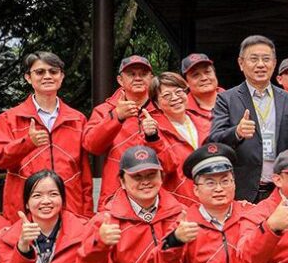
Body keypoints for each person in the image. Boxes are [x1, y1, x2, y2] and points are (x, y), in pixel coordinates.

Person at [0, 51, 94, 218]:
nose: (47, 76)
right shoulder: (9, 118)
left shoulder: (77, 119)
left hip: (71, 211)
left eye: (53, 71)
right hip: (25, 212)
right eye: (40, 72)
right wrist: (27, 143)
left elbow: (84, 174)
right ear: (28, 77)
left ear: (61, 77)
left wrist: (86, 216)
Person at [207, 35, 288, 203]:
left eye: (266, 59)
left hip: (281, 191)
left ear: (274, 63)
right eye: (253, 59)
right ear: (241, 63)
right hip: (243, 190)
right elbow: (214, 141)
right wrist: (237, 132)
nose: (260, 64)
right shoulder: (227, 99)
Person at [83, 55, 156, 209]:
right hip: (116, 196)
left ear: (152, 78)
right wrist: (117, 116)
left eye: (143, 74)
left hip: (157, 195)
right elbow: (91, 145)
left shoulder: (164, 108)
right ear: (120, 80)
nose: (137, 78)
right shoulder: (105, 110)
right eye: (131, 74)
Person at [149, 72, 210, 208]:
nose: (175, 98)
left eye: (178, 91)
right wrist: (153, 138)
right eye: (166, 95)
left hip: (211, 201)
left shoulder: (206, 122)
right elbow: (167, 167)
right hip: (178, 206)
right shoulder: (153, 133)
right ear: (157, 104)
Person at [182, 53, 224, 124]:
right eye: (196, 75)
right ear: (186, 82)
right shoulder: (181, 111)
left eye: (207, 72)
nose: (204, 78)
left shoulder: (235, 100)